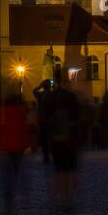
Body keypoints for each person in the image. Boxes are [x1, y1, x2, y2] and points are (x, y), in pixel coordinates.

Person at [42, 77, 82, 206]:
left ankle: (58, 196)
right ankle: (69, 197)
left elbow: (44, 117)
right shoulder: (71, 97)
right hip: (70, 137)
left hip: (55, 138)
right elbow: (79, 116)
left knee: (58, 168)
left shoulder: (50, 97)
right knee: (69, 168)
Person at [0, 91, 30, 204]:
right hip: (17, 145)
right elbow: (23, 129)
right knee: (15, 168)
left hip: (3, 145)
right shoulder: (20, 112)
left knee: (5, 169)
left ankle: (8, 190)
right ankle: (11, 187)